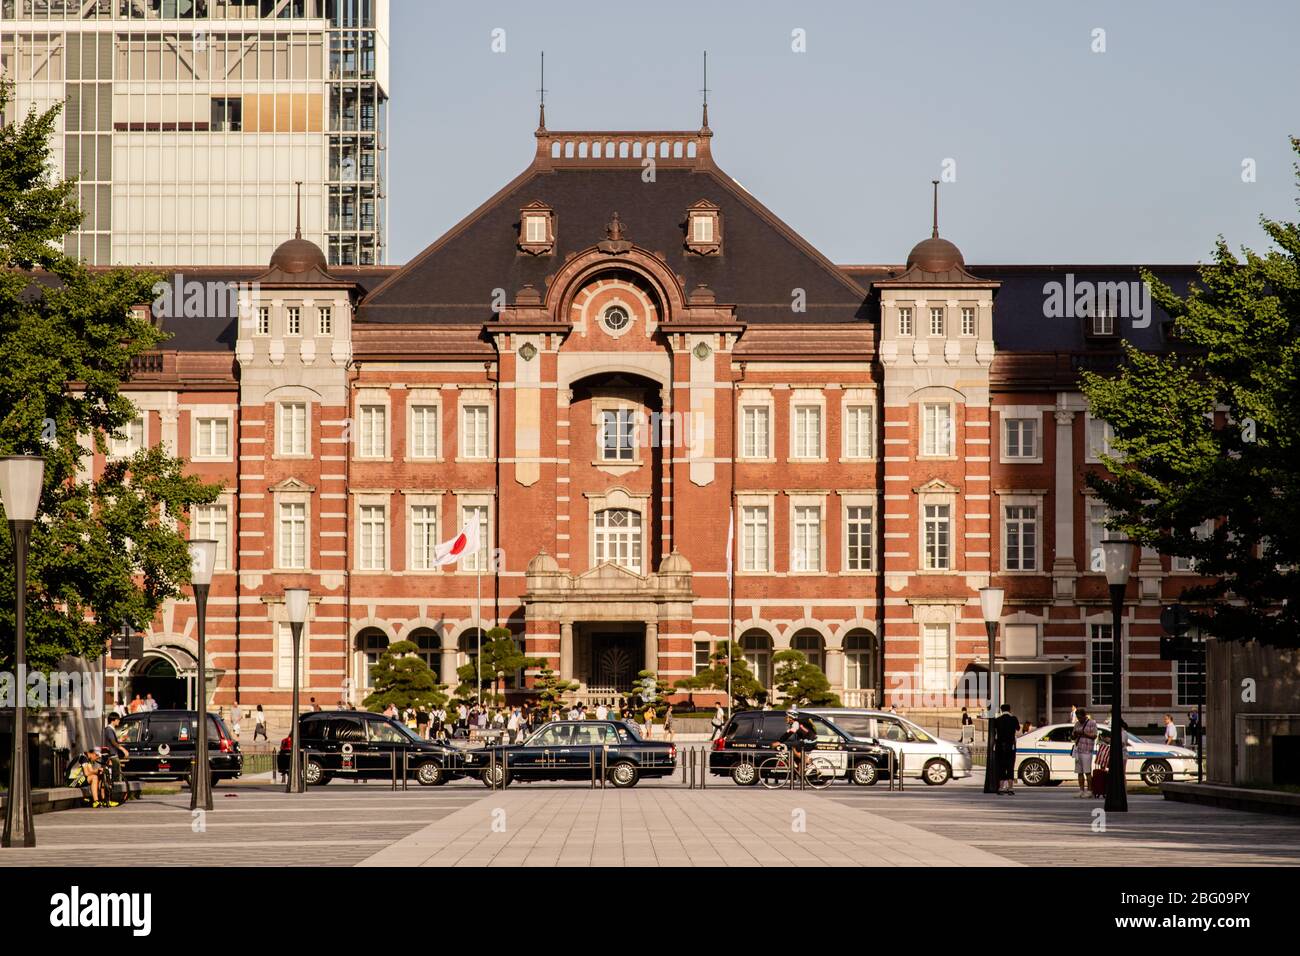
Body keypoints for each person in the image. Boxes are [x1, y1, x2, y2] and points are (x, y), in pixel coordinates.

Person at [777, 710, 818, 774]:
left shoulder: (796, 724)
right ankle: (800, 771)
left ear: (791, 718)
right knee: (795, 753)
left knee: (794, 749)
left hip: (810, 741)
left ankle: (809, 763)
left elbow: (789, 734)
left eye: (787, 717)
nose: (785, 718)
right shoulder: (796, 723)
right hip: (808, 740)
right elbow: (788, 733)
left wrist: (779, 741)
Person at [992, 703, 1019, 795]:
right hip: (1010, 746)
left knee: (1001, 767)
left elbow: (994, 731)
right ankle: (1010, 788)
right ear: (1010, 709)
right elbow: (1018, 728)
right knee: (1010, 766)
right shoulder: (1013, 719)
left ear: (1001, 710)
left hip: (1000, 746)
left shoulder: (997, 720)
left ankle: (1001, 787)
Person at [1071, 707, 1098, 798]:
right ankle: (1081, 790)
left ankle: (1089, 790)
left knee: (1087, 772)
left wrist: (1084, 734)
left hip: (1087, 751)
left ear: (1084, 716)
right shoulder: (1077, 724)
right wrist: (1075, 734)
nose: (1079, 719)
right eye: (1077, 717)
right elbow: (1073, 736)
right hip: (1078, 750)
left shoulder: (1092, 723)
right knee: (1079, 772)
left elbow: (1094, 735)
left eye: (1080, 717)